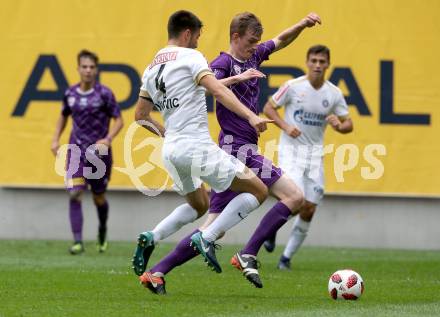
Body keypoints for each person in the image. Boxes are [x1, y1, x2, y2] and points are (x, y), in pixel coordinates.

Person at [139, 12, 321, 294]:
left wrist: (301, 25)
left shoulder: (253, 56)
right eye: (250, 40)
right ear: (235, 37)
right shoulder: (220, 64)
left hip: (238, 146)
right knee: (293, 196)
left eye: (257, 41)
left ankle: (157, 271)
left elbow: (281, 40)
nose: (254, 45)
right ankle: (247, 253)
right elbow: (211, 90)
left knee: (212, 223)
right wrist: (241, 89)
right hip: (236, 147)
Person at [262, 45, 353, 270]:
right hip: (291, 152)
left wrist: (339, 126)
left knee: (309, 208)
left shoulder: (334, 93)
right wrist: (285, 126)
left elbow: (349, 124)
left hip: (314, 156)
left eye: (322, 62)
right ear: (307, 62)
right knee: (296, 197)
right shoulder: (292, 87)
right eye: (314, 61)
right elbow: (268, 107)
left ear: (328, 65)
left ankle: (285, 258)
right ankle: (271, 229)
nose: (318, 65)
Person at [51, 49, 124, 254]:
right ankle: (78, 242)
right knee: (75, 193)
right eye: (84, 67)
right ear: (78, 69)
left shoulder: (105, 94)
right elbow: (63, 115)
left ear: (96, 70)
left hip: (98, 155)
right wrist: (56, 138)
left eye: (92, 67)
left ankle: (102, 230)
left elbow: (119, 120)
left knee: (98, 198)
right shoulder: (70, 94)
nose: (88, 70)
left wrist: (108, 139)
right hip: (75, 150)